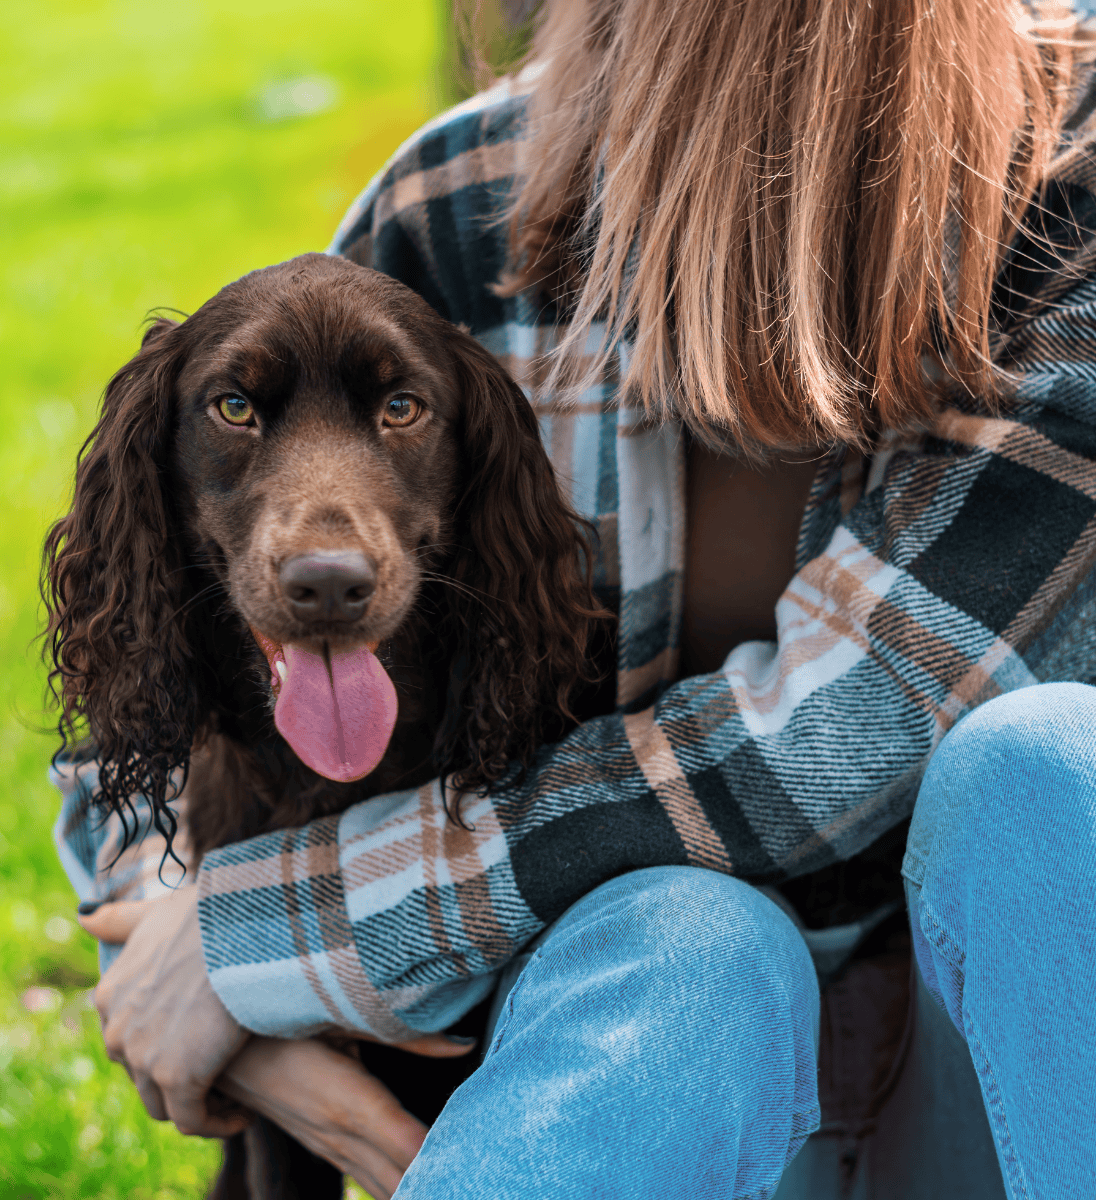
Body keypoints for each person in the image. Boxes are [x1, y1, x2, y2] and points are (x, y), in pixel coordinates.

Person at [56, 0, 1096, 1196]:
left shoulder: (1076, 181)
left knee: (1048, 770)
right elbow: (152, 665)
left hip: (1020, 1099)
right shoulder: (460, 202)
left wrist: (273, 942)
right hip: (658, 1097)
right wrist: (194, 966)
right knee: (683, 932)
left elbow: (837, 737)